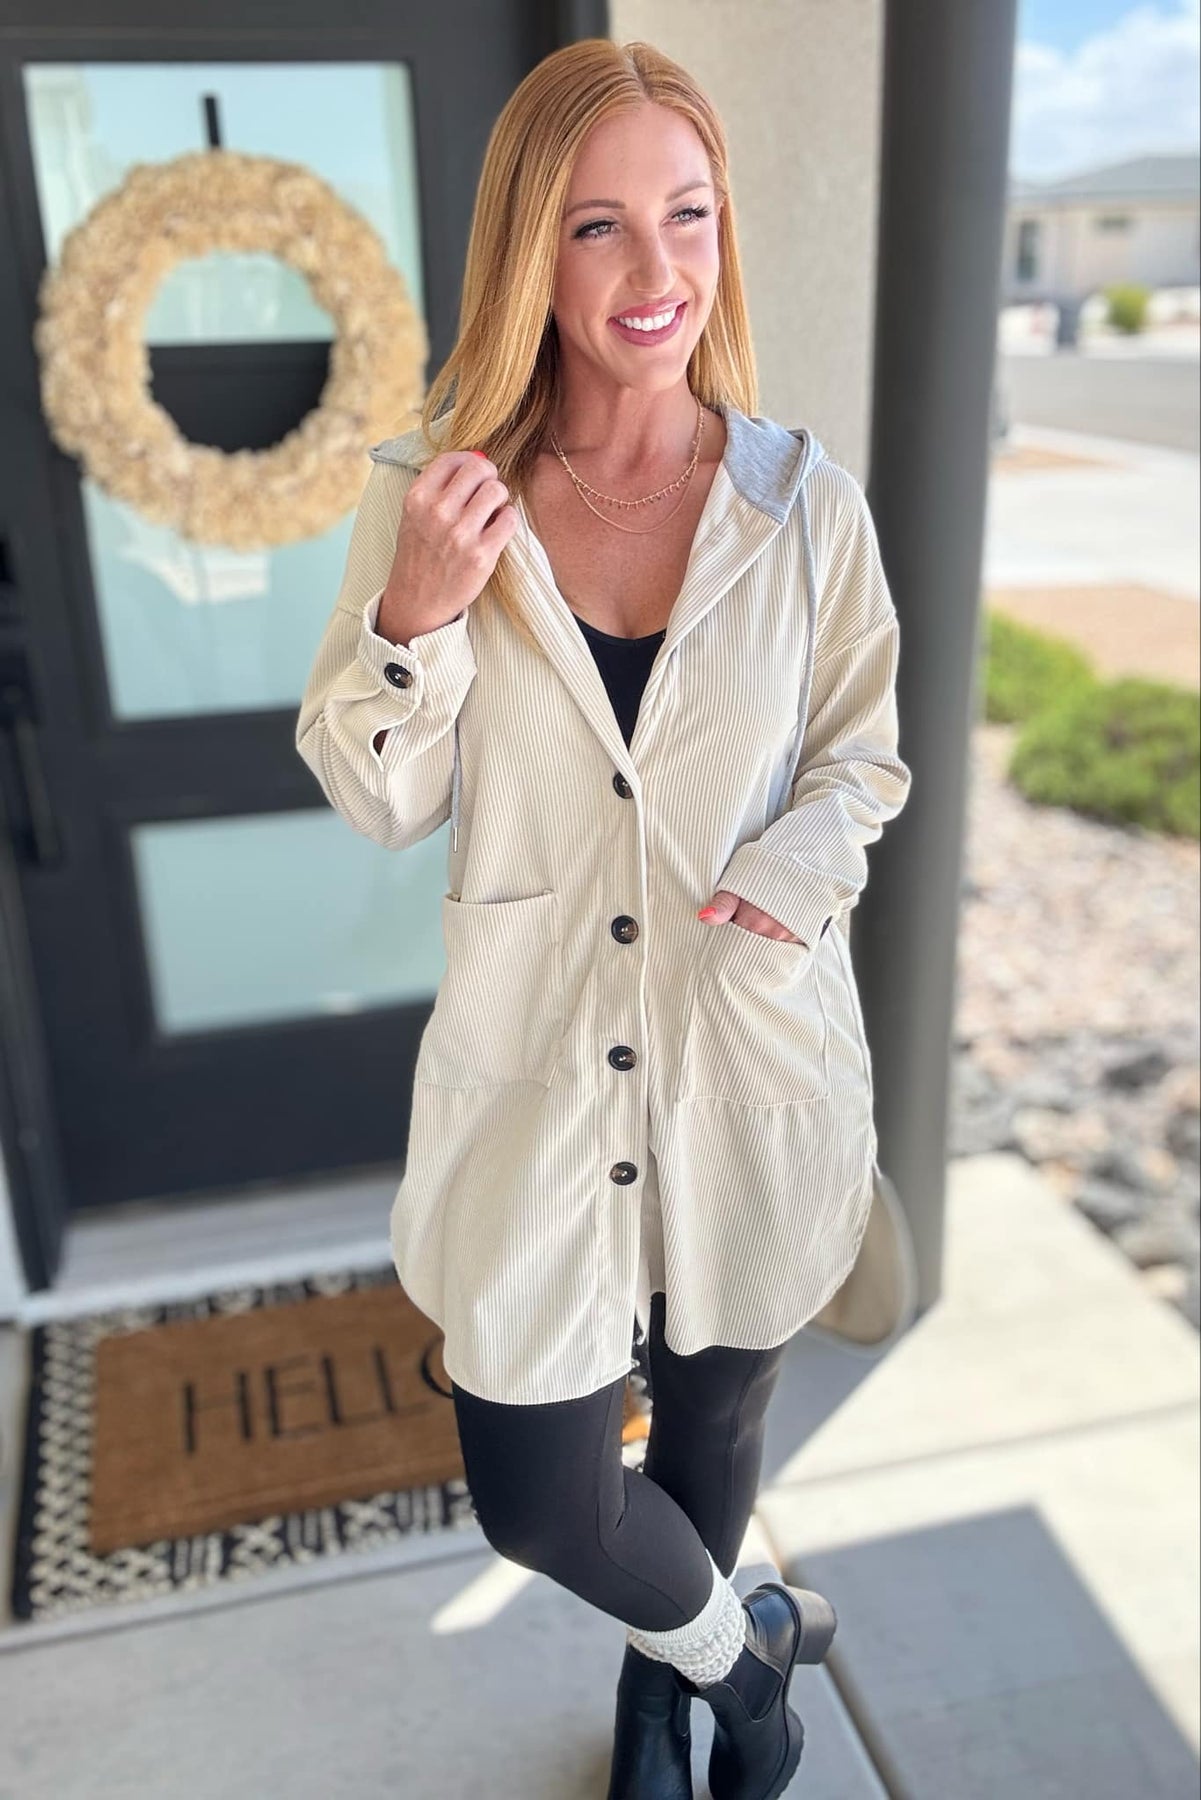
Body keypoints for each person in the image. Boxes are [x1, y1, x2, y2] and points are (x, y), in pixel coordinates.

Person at [296, 37, 912, 1800]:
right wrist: (418, 615)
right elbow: (376, 794)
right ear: (529, 250)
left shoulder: (803, 506)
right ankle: (740, 1663)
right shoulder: (438, 494)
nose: (656, 270)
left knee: (713, 1425)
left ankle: (664, 1697)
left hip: (749, 1050)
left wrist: (786, 881)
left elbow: (862, 760)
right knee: (542, 1496)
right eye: (598, 226)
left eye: (688, 215)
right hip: (538, 1072)